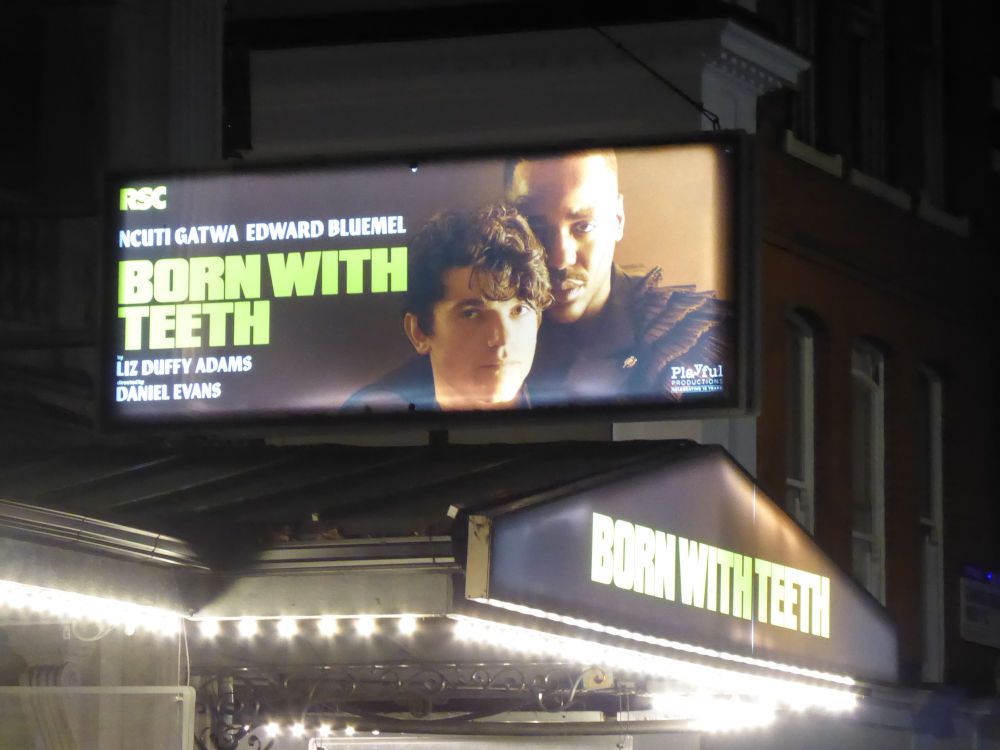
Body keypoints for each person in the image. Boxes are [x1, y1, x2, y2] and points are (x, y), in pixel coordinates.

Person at [506, 149, 731, 404]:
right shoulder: (486, 335)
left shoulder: (696, 334)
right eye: (535, 228)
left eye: (584, 226)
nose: (560, 259)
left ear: (618, 219)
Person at [346, 202, 552, 412]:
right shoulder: (374, 412)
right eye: (471, 314)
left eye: (519, 310)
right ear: (418, 332)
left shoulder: (574, 403)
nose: (501, 339)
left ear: (538, 320)